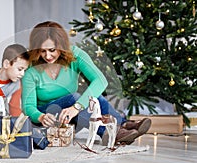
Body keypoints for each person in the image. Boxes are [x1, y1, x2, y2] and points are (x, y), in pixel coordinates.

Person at [21, 21, 151, 145]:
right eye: (42, 51)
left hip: (69, 119)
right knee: (75, 97)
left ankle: (123, 125)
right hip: (47, 119)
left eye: (52, 50)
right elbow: (28, 106)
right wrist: (41, 117)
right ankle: (110, 132)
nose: (47, 56)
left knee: (93, 98)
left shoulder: (75, 55)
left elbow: (100, 80)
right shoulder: (31, 69)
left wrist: (76, 107)